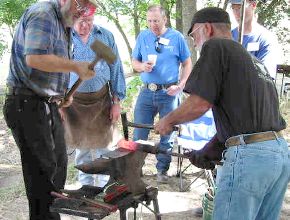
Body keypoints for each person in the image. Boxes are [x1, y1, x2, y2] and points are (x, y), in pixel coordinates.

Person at [155, 7, 290, 220]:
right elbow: (244, 123)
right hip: (279, 155)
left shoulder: (216, 47)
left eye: (193, 35)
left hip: (251, 157)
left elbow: (199, 104)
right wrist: (208, 151)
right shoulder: (252, 61)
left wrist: (168, 120)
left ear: (207, 29)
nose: (194, 42)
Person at [2, 0, 98, 219]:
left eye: (89, 9)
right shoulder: (43, 13)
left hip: (46, 104)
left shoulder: (64, 22)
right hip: (26, 105)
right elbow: (35, 58)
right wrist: (75, 66)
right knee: (42, 177)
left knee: (58, 168)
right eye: (81, 6)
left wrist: (63, 95)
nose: (83, 13)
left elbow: (53, 65)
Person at [62, 13, 126, 186]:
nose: (86, 25)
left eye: (89, 21)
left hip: (101, 101)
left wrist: (116, 102)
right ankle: (86, 185)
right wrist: (59, 103)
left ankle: (105, 185)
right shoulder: (64, 36)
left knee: (104, 144)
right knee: (81, 146)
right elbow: (57, 71)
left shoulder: (105, 36)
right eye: (81, 21)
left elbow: (116, 68)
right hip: (74, 103)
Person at [131, 4, 192, 183]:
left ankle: (162, 171)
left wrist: (181, 85)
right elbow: (134, 61)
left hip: (169, 93)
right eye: (149, 21)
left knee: (167, 133)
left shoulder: (176, 37)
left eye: (156, 21)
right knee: (140, 133)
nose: (153, 25)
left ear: (164, 19)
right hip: (147, 92)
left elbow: (187, 63)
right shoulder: (143, 36)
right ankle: (136, 169)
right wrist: (142, 66)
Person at [230, 0, 281, 79]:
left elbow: (265, 77)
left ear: (253, 5)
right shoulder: (228, 37)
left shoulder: (266, 39)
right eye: (233, 8)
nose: (236, 12)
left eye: (240, 7)